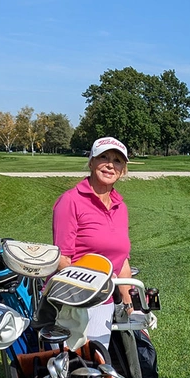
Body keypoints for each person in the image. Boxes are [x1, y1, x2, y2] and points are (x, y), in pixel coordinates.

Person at [51, 136, 135, 347]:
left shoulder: (120, 206)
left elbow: (122, 261)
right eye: (103, 157)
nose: (110, 165)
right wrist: (84, 298)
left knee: (97, 365)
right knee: (73, 368)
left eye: (117, 161)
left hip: (104, 302)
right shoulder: (70, 200)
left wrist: (129, 306)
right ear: (91, 162)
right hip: (73, 301)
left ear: (123, 169)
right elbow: (63, 259)